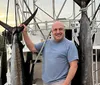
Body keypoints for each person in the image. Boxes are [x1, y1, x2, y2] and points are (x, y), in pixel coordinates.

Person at [21, 21, 78, 85]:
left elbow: (74, 66)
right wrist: (24, 33)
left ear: (64, 30)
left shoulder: (70, 45)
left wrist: (66, 83)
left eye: (60, 29)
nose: (58, 32)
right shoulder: (46, 43)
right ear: (52, 31)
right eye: (55, 30)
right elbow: (32, 48)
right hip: (46, 82)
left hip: (61, 82)